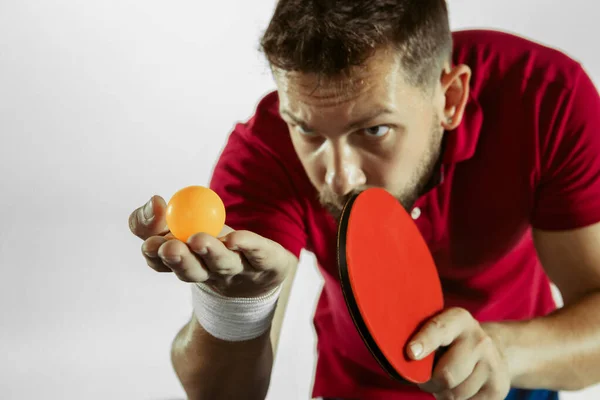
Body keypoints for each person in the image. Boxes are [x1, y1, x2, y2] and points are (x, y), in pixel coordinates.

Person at [128, 1, 600, 399]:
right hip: (356, 385)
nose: (338, 176)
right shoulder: (264, 154)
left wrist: (505, 352)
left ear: (450, 99)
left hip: (511, 370)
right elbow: (222, 394)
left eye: (374, 130)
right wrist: (237, 306)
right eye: (307, 129)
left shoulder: (545, 97)